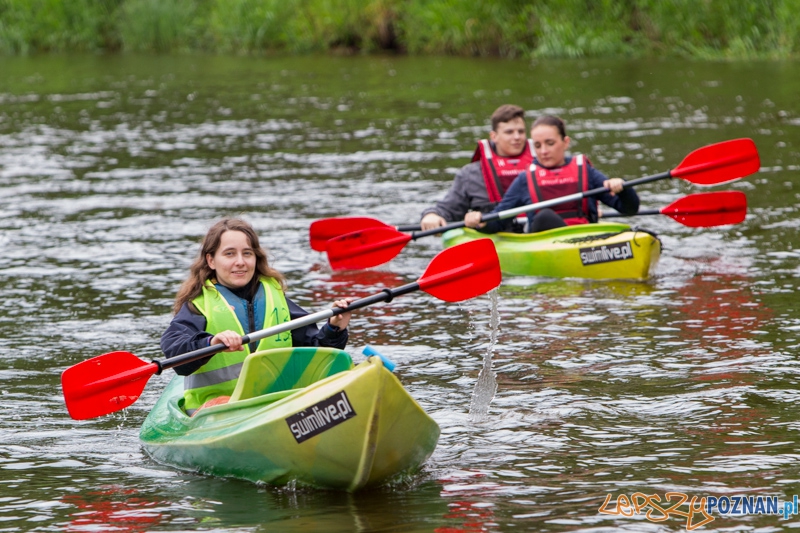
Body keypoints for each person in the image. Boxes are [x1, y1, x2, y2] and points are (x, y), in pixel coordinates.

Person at [161, 217, 352, 415]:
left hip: (275, 403)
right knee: (223, 404)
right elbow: (175, 352)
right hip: (217, 409)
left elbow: (317, 355)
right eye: (229, 254)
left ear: (255, 258)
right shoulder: (198, 305)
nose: (240, 262)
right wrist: (210, 343)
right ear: (211, 260)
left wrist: (334, 328)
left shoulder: (274, 298)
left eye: (247, 253)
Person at [464, 115, 639, 233]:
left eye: (550, 143)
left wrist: (622, 188)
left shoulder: (585, 171)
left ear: (565, 142)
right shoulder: (526, 179)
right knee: (544, 217)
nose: (544, 151)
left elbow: (629, 209)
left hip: (585, 239)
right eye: (538, 146)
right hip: (545, 242)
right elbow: (500, 219)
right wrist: (481, 221)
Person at [419, 104, 534, 232]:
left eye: (521, 131)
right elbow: (449, 208)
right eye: (509, 132)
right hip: (493, 234)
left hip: (536, 231)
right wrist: (431, 215)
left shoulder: (544, 164)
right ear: (494, 136)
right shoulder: (471, 174)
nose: (517, 137)